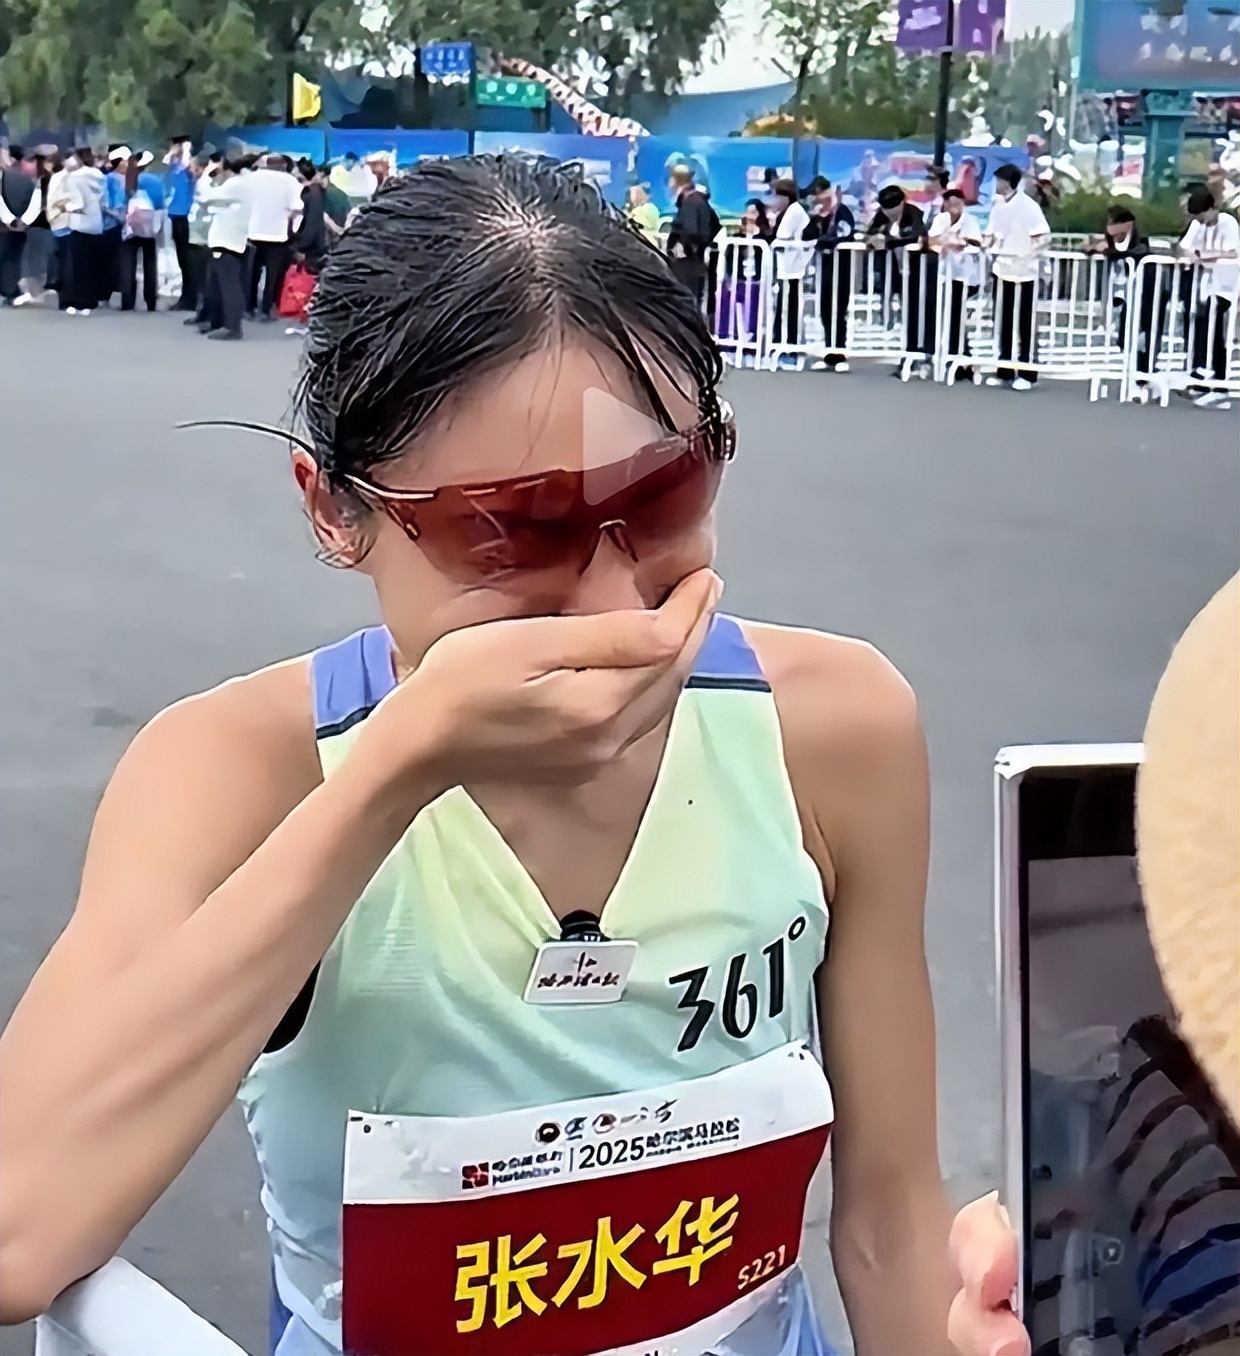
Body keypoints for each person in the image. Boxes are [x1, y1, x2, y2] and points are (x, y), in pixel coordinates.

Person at [0, 153, 1008, 1356]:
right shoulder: (237, 773)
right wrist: (394, 770)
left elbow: (891, 1218)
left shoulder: (831, 730)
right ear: (333, 509)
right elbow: (18, 1236)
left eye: (664, 494)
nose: (610, 601)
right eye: (506, 534)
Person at [983, 162, 1050, 391]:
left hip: (1025, 273)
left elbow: (1043, 236)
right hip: (1002, 270)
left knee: (1025, 323)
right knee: (1003, 321)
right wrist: (985, 246)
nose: (997, 184)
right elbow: (991, 234)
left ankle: (1027, 372)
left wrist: (1027, 254)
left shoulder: (1029, 206)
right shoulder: (998, 206)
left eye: (1000, 180)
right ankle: (1004, 369)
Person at [1179, 185, 1239, 406]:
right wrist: (1191, 253)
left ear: (1212, 209)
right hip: (1205, 284)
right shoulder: (1198, 225)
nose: (1201, 221)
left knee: (1212, 325)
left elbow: (1232, 252)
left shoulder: (1228, 222)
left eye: (1203, 215)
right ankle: (1205, 377)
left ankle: (1212, 375)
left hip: (1226, 284)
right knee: (1202, 326)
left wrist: (1203, 255)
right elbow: (1184, 247)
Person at [865, 184, 932, 377]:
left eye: (893, 209)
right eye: (886, 210)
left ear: (902, 203)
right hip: (897, 272)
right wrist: (874, 239)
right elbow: (871, 233)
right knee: (907, 314)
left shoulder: (914, 213)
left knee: (920, 313)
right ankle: (909, 354)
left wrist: (889, 242)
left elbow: (916, 236)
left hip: (920, 271)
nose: (889, 214)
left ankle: (923, 354)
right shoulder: (882, 215)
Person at [928, 188, 983, 383]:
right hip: (944, 275)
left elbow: (976, 242)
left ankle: (961, 356)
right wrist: (945, 241)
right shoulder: (940, 220)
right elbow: (932, 239)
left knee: (955, 317)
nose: (954, 208)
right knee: (946, 317)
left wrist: (960, 241)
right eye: (950, 203)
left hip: (964, 278)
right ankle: (955, 355)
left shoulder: (970, 222)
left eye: (957, 203)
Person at [803, 176, 856, 373]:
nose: (818, 199)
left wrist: (822, 241)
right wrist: (817, 219)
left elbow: (842, 236)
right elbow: (807, 235)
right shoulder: (820, 215)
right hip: (825, 269)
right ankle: (829, 352)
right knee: (825, 311)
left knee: (839, 311)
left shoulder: (842, 212)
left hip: (841, 268)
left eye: (820, 194)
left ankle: (840, 353)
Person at [197, 156, 252, 340]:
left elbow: (205, 197)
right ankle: (218, 322)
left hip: (227, 241)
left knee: (229, 286)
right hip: (232, 239)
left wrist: (206, 174)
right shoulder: (243, 184)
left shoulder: (235, 185)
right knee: (216, 286)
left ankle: (232, 327)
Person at [247, 154, 304, 322]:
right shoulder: (290, 181)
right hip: (277, 234)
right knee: (272, 275)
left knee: (253, 272)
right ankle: (266, 309)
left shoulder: (253, 177)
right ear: (284, 166)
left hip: (254, 232)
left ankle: (249, 306)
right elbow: (297, 206)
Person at [716, 198, 770, 350]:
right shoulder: (736, 237)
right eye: (747, 211)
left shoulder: (764, 237)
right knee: (726, 297)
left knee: (754, 303)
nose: (749, 215)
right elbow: (729, 257)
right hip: (738, 279)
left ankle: (752, 339)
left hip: (756, 280)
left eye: (753, 212)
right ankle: (726, 337)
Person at [117, 151, 166, 313]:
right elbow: (160, 205)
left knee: (127, 263)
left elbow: (121, 204)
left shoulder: (127, 179)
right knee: (150, 262)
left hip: (130, 227)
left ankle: (127, 301)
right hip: (149, 226)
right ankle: (151, 300)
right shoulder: (155, 181)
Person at [770, 177, 812, 363]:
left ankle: (789, 347)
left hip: (792, 269)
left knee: (788, 309)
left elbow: (782, 237)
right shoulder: (788, 212)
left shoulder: (794, 212)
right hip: (787, 269)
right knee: (784, 308)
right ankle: (782, 345)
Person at [665, 163, 718, 308]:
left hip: (687, 265)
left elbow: (691, 230)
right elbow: (714, 224)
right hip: (696, 264)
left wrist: (684, 248)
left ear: (675, 181)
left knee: (685, 303)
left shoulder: (690, 202)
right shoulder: (699, 200)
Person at [63, 147, 105, 315]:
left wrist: (66, 207)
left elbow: (75, 203)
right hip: (96, 224)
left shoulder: (74, 177)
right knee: (93, 265)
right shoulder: (99, 175)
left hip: (79, 224)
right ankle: (91, 300)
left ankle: (79, 301)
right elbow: (103, 200)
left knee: (78, 266)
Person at [0, 146, 39, 304]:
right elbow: (36, 201)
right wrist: (24, 221)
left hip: (4, 225)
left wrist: (8, 219)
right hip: (20, 226)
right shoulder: (29, 179)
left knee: (6, 257)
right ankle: (10, 291)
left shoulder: (4, 176)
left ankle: (9, 291)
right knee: (12, 259)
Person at [165, 137, 198, 311]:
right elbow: (167, 162)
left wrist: (185, 147)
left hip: (184, 218)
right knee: (182, 261)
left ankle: (190, 299)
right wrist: (174, 152)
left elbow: (186, 164)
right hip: (176, 217)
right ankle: (187, 298)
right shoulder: (175, 167)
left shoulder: (187, 169)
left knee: (187, 261)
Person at [99, 146, 129, 306]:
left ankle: (117, 293)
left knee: (120, 261)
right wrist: (119, 216)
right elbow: (104, 203)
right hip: (111, 225)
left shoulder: (129, 179)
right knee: (110, 261)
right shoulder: (109, 179)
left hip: (124, 225)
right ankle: (106, 294)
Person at [45, 152, 75, 309]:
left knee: (65, 262)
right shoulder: (62, 178)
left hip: (63, 223)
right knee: (68, 262)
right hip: (67, 223)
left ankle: (65, 298)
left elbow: (51, 201)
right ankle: (67, 297)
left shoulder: (59, 177)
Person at [626, 182, 661, 246]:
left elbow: (650, 226)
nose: (633, 195)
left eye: (637, 192)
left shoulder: (649, 207)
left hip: (647, 241)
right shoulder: (634, 211)